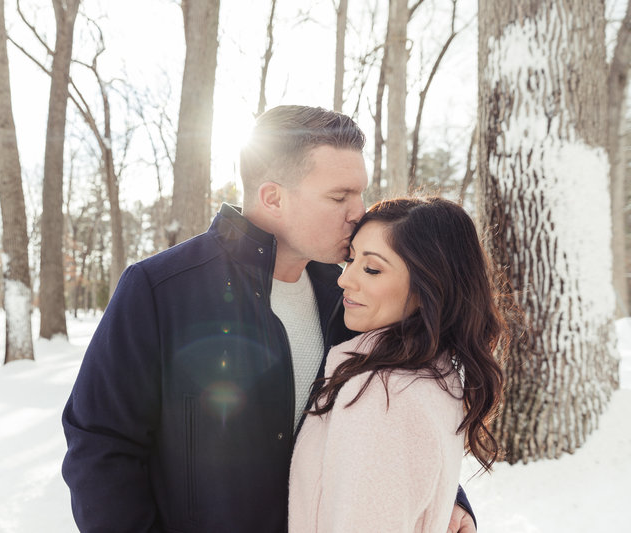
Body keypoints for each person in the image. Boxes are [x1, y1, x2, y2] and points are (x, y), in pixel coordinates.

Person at [61, 106, 477, 532]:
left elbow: (391, 414)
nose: (359, 212)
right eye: (340, 197)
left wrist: (447, 499)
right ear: (273, 197)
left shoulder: (349, 297)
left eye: (360, 193)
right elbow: (100, 446)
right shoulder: (160, 289)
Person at [289, 196, 504, 532]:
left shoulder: (382, 396)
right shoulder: (433, 373)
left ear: (428, 287)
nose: (344, 280)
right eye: (351, 259)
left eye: (372, 268)